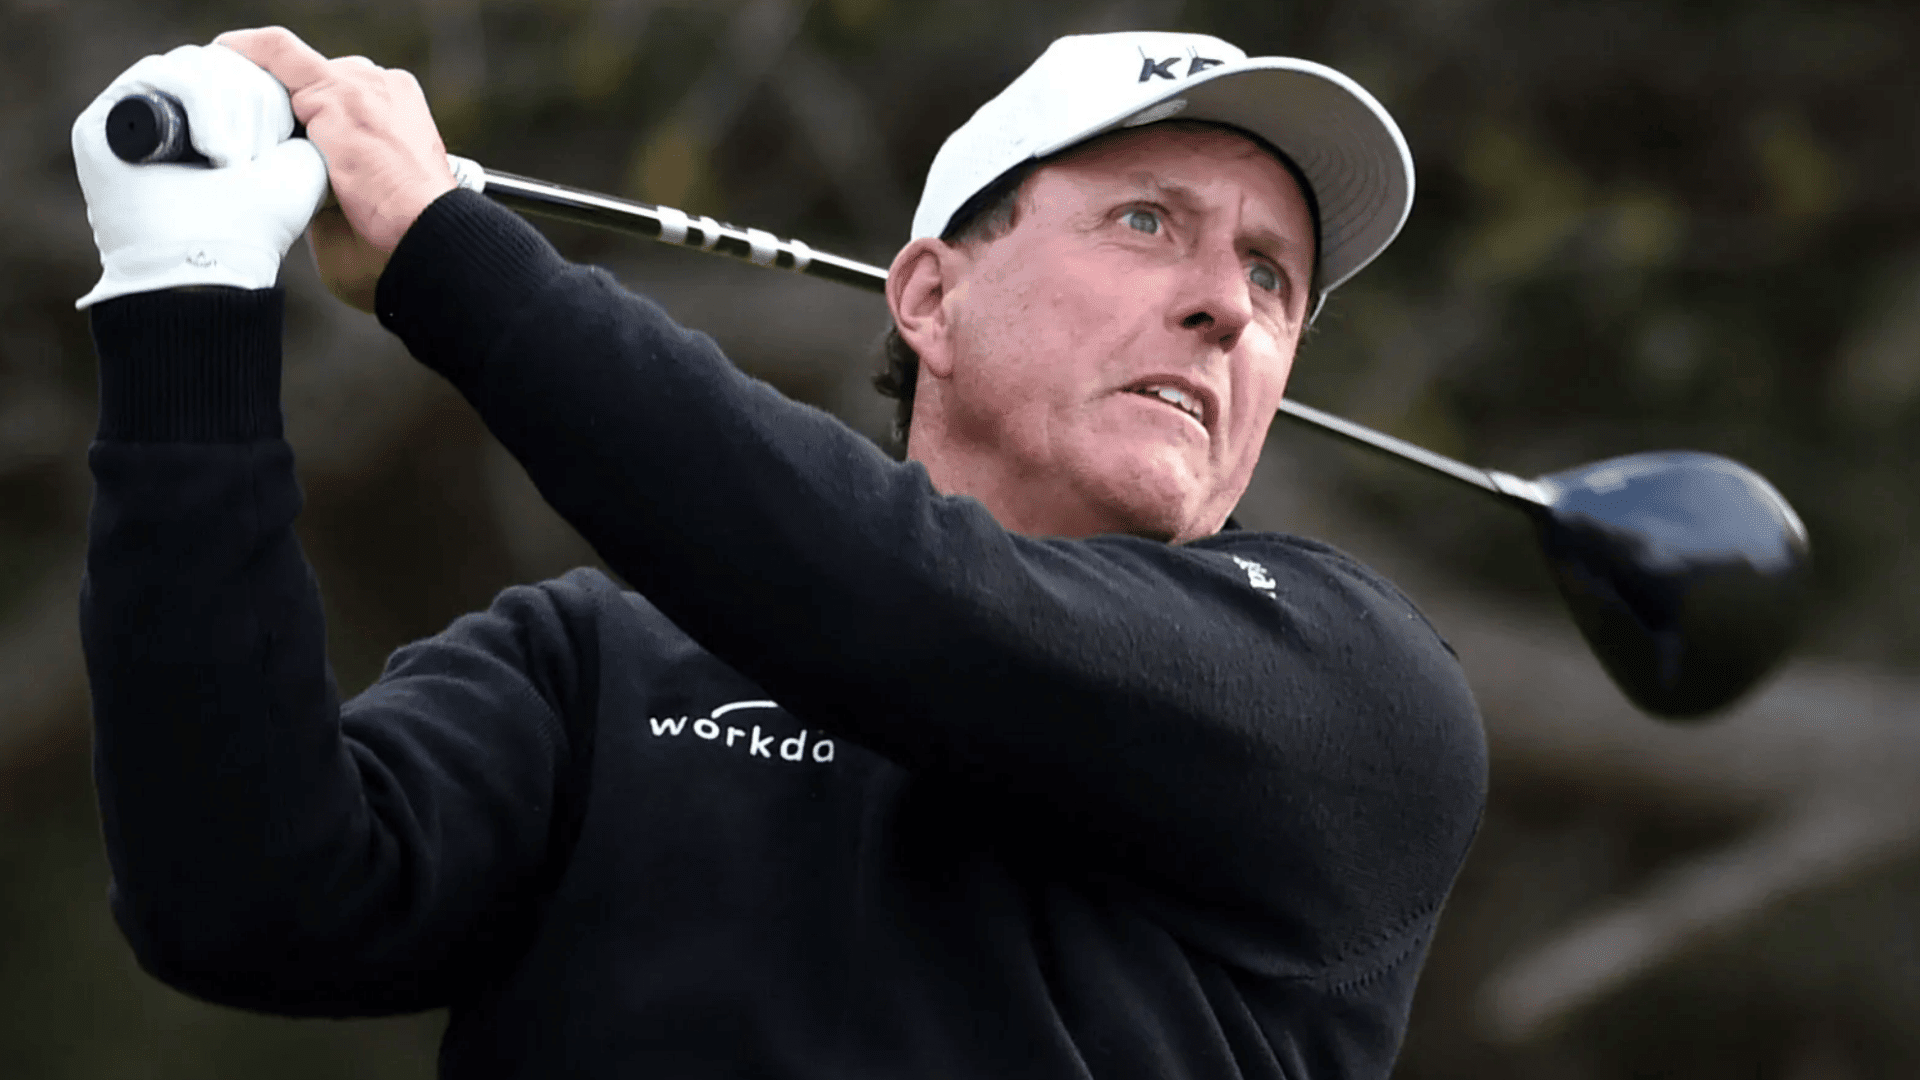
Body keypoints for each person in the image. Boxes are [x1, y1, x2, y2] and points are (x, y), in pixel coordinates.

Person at [72, 24, 1486, 1080]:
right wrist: (179, 306)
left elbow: (918, 606)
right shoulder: (591, 674)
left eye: (1270, 276)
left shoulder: (1352, 687)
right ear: (929, 297)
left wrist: (448, 250)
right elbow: (240, 902)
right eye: (1147, 220)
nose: (1227, 309)